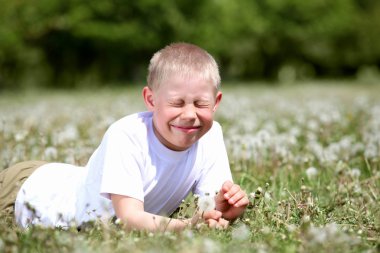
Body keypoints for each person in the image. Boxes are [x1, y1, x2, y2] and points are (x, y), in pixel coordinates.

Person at [0, 42, 249, 232]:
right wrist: (188, 226)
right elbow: (129, 219)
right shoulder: (127, 134)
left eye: (200, 103)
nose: (189, 114)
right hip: (24, 194)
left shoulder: (211, 135)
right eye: (177, 103)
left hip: (63, 178)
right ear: (151, 100)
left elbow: (208, 211)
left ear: (215, 103)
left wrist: (226, 210)